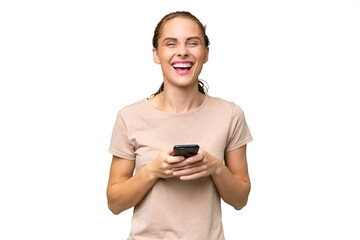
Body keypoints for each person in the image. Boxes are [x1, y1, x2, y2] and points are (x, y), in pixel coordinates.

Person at [107, 11, 253, 240]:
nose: (182, 51)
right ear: (156, 54)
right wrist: (153, 170)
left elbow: (240, 199)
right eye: (171, 43)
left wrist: (214, 167)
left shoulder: (230, 115)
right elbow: (114, 203)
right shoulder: (129, 117)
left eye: (193, 43)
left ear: (206, 53)